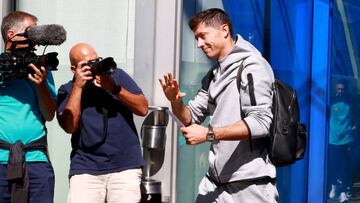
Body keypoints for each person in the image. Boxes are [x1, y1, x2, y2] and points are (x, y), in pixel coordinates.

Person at [159, 8, 278, 202]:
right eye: (197, 38)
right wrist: (175, 100)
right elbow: (190, 117)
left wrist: (208, 134)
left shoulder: (252, 66)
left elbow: (261, 122)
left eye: (203, 36)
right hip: (214, 183)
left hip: (249, 186)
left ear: (224, 30)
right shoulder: (214, 74)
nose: (199, 44)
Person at [56, 43, 148, 203]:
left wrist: (114, 89)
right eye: (88, 64)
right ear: (74, 69)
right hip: (85, 167)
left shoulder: (116, 76)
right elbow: (69, 126)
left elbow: (142, 108)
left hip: (125, 166)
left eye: (96, 60)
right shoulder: (67, 89)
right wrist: (78, 86)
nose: (94, 66)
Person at [0, 11, 57, 203]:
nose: (37, 38)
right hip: (1, 160)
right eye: (31, 31)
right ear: (12, 35)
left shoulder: (41, 68)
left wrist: (40, 85)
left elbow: (49, 114)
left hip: (36, 161)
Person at [328, 79, 357, 202]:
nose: (340, 92)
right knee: (334, 165)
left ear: (346, 89)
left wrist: (355, 126)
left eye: (343, 89)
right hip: (333, 140)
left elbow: (356, 117)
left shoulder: (351, 102)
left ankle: (344, 191)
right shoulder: (331, 101)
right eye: (339, 89)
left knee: (346, 166)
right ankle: (334, 187)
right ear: (335, 89)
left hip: (347, 140)